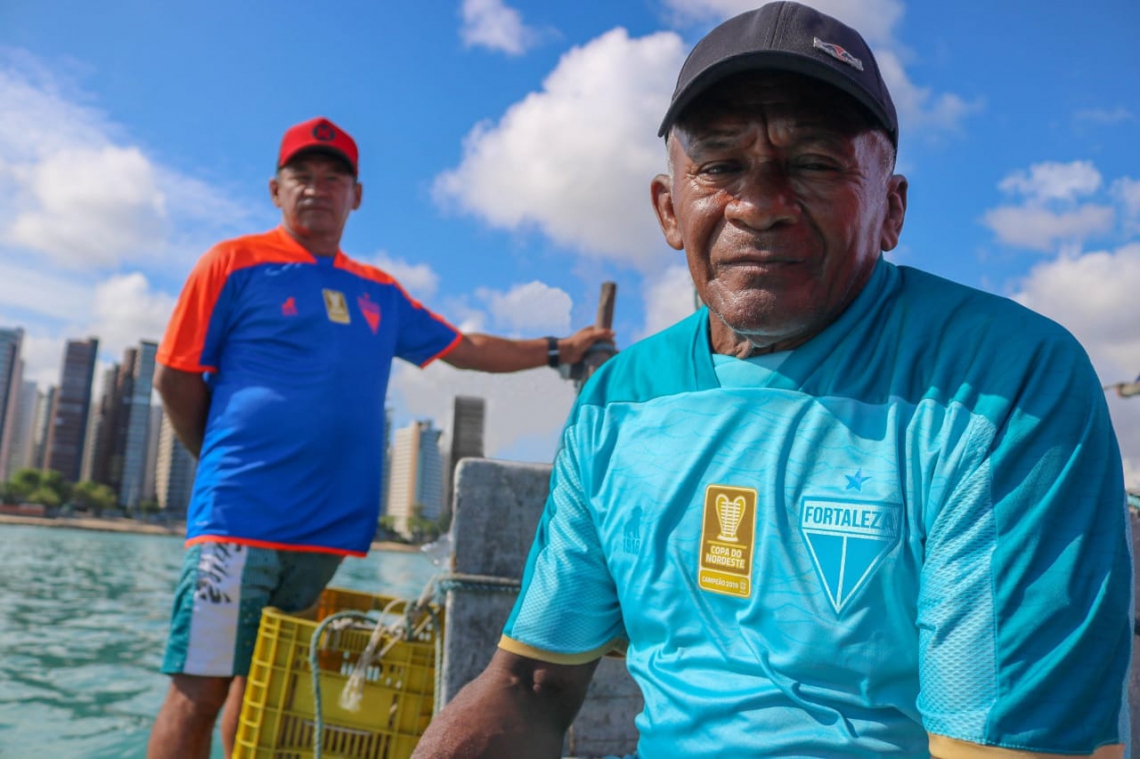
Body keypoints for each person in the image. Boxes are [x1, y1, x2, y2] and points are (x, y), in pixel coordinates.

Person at [413, 3, 1133, 757]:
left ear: (891, 209)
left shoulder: (1003, 383)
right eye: (719, 165)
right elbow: (530, 683)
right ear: (668, 208)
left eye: (815, 163)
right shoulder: (619, 401)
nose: (758, 206)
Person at [146, 116, 614, 759]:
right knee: (197, 690)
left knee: (264, 687)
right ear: (274, 190)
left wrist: (559, 349)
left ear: (356, 196)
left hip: (324, 532)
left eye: (333, 178)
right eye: (301, 176)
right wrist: (219, 463)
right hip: (236, 522)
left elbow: (466, 347)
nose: (317, 188)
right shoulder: (232, 262)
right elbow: (174, 375)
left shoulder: (378, 291)